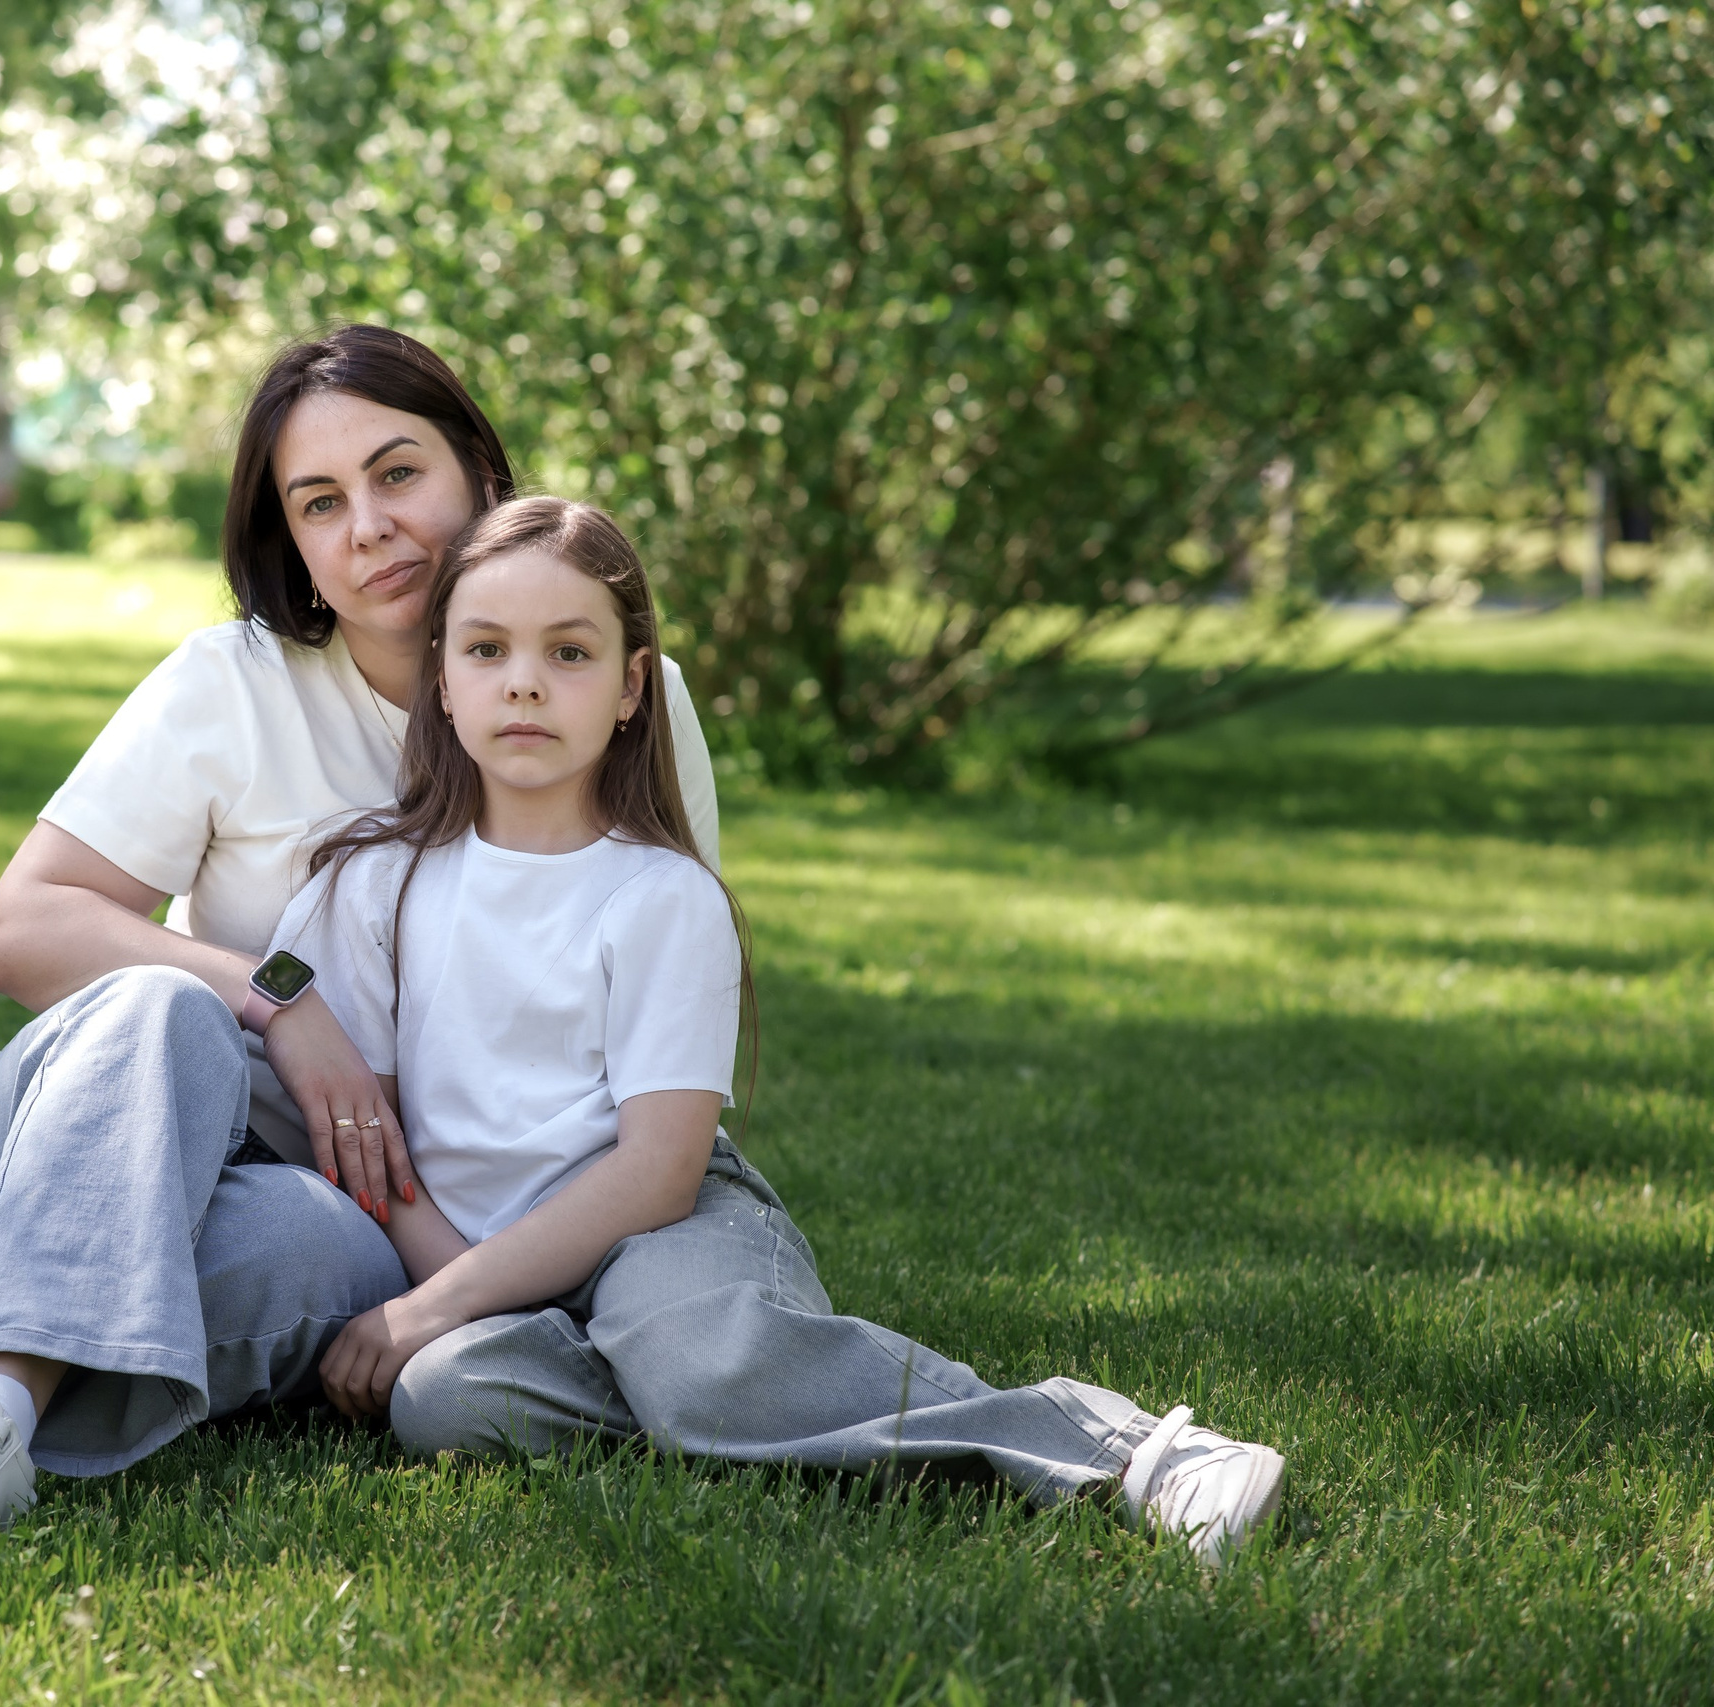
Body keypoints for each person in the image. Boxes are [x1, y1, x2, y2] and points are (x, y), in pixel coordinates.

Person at [0, 325, 724, 1540]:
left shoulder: (618, 695)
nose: (367, 524)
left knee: (314, 1247)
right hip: (119, 1142)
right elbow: (21, 929)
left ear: (481, 471)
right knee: (169, 1002)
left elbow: (651, 998)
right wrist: (278, 999)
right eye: (318, 503)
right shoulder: (229, 685)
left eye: (397, 472)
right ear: (295, 549)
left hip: (355, 1224)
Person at [264, 495, 1287, 1565]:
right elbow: (370, 1141)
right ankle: (698, 1410)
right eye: (486, 648)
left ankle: (1134, 1455)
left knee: (691, 1355)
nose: (522, 680)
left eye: (568, 652)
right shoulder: (375, 885)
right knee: (444, 1401)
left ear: (628, 689)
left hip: (664, 1227)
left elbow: (655, 1173)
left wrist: (433, 1305)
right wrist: (436, 1303)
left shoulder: (658, 897)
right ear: (442, 678)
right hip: (475, 1259)